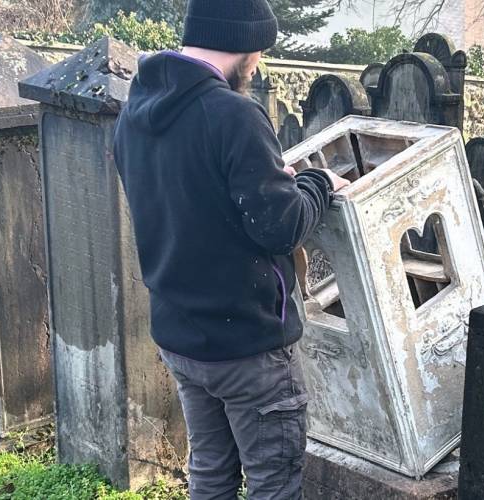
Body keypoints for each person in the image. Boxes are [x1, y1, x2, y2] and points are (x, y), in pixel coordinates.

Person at [112, 1, 350, 498]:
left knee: (211, 473)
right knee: (272, 484)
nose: (257, 64)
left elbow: (190, 200)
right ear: (244, 44)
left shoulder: (134, 111)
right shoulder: (233, 113)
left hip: (182, 336)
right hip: (248, 348)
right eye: (259, 52)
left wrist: (268, 184)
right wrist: (314, 182)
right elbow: (281, 228)